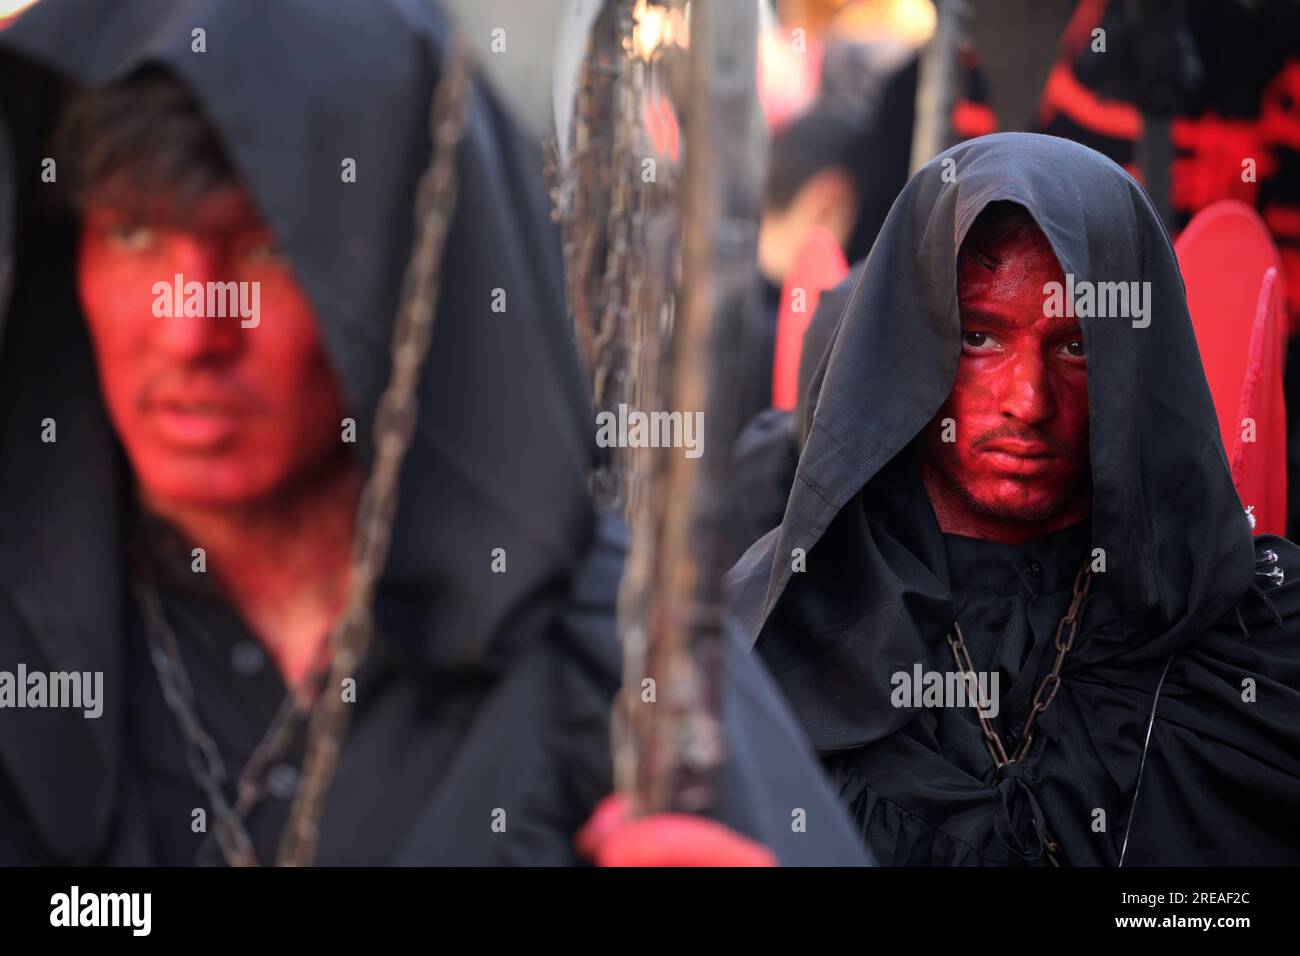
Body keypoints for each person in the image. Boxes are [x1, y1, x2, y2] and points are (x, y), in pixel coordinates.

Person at [0, 0, 866, 867]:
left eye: (263, 250)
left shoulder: (614, 667)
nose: (190, 329)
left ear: (392, 269)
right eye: (133, 233)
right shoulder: (37, 637)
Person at [729, 132, 1300, 865]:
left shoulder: (1258, 647)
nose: (1026, 401)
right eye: (979, 337)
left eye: (1075, 346)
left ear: (1132, 361)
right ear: (912, 349)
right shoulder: (777, 639)